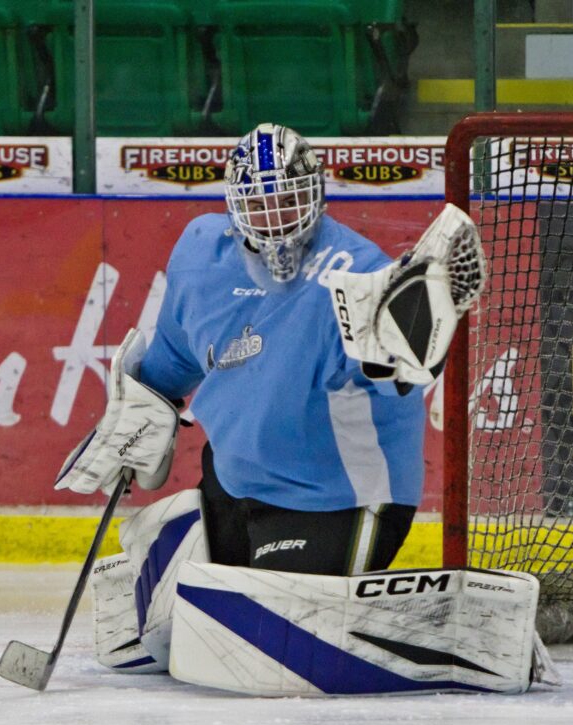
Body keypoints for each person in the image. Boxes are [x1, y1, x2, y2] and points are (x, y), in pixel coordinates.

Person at [60, 122, 428, 577]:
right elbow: (176, 355)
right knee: (173, 621)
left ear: (316, 194)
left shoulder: (359, 275)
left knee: (266, 634)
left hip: (334, 496)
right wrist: (138, 412)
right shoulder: (200, 252)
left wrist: (406, 340)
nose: (275, 218)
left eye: (288, 201)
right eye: (257, 204)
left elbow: (399, 378)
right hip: (233, 483)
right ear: (233, 205)